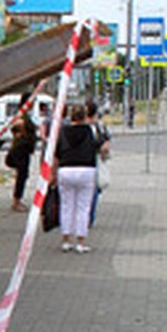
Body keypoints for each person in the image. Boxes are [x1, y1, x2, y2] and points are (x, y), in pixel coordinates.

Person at [54, 102, 100, 253]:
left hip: (66, 169)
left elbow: (56, 154)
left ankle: (66, 240)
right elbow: (99, 146)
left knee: (66, 205)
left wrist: (53, 174)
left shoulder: (62, 131)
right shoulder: (90, 130)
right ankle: (80, 242)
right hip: (86, 169)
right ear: (84, 116)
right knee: (83, 207)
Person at [4, 94, 38, 212]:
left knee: (23, 175)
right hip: (20, 149)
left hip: (25, 149)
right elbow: (15, 126)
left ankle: (17, 199)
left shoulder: (25, 115)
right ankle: (16, 201)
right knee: (21, 175)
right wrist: (20, 132)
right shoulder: (22, 115)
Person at [85, 98, 111, 226]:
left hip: (79, 163)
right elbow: (106, 143)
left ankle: (84, 218)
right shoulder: (99, 126)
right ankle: (89, 218)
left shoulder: (74, 126)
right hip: (93, 162)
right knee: (93, 190)